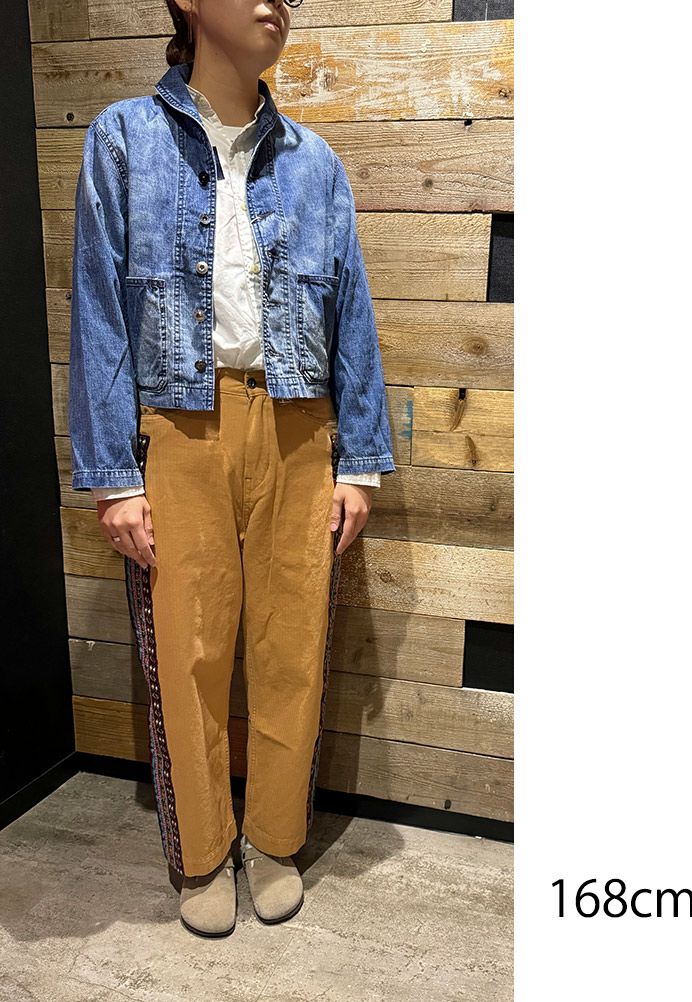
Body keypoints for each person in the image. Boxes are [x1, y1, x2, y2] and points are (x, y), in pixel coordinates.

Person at [68, 0, 395, 938]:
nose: (274, 3)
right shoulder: (123, 139)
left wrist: (360, 462)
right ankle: (203, 851)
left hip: (299, 425)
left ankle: (275, 838)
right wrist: (114, 475)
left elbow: (352, 311)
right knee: (191, 650)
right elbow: (97, 309)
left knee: (292, 649)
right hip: (180, 426)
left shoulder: (314, 162)